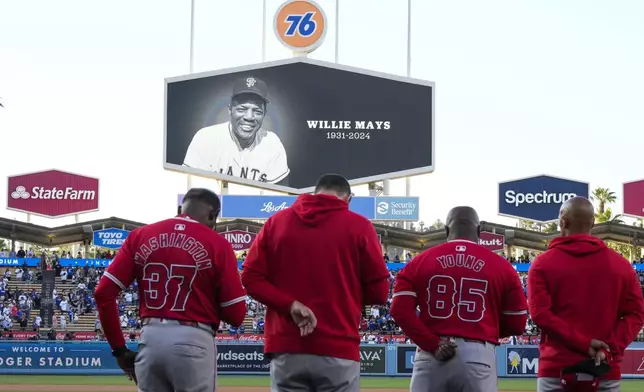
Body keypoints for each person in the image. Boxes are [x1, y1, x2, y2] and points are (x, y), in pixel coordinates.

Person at [241, 173, 389, 392]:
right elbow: (379, 293)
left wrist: (290, 304)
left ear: (314, 192)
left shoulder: (276, 222)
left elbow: (250, 278)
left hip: (286, 348)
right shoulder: (360, 226)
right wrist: (346, 291)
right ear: (349, 198)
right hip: (338, 348)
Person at [94, 188, 247, 392]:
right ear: (213, 215)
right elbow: (236, 315)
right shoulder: (218, 243)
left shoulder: (140, 235)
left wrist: (119, 350)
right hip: (194, 337)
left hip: (149, 337)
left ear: (180, 209)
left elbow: (103, 292)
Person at [390, 206, 528, 392]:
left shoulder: (418, 262)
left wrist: (432, 343)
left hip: (431, 352)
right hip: (478, 353)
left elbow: (399, 311)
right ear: (479, 232)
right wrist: (483, 329)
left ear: (446, 230)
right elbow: (517, 323)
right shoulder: (503, 267)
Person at [528, 197, 644, 392]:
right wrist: (609, 350)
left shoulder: (542, 264)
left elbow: (540, 314)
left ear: (563, 222)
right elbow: (636, 314)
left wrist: (584, 343)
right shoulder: (621, 265)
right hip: (604, 370)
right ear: (592, 223)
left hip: (556, 371)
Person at [183, 76, 289, 185]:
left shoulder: (272, 143)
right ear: (230, 110)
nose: (249, 117)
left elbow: (282, 198)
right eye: (242, 109)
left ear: (264, 114)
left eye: (257, 111)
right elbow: (191, 193)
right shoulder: (206, 138)